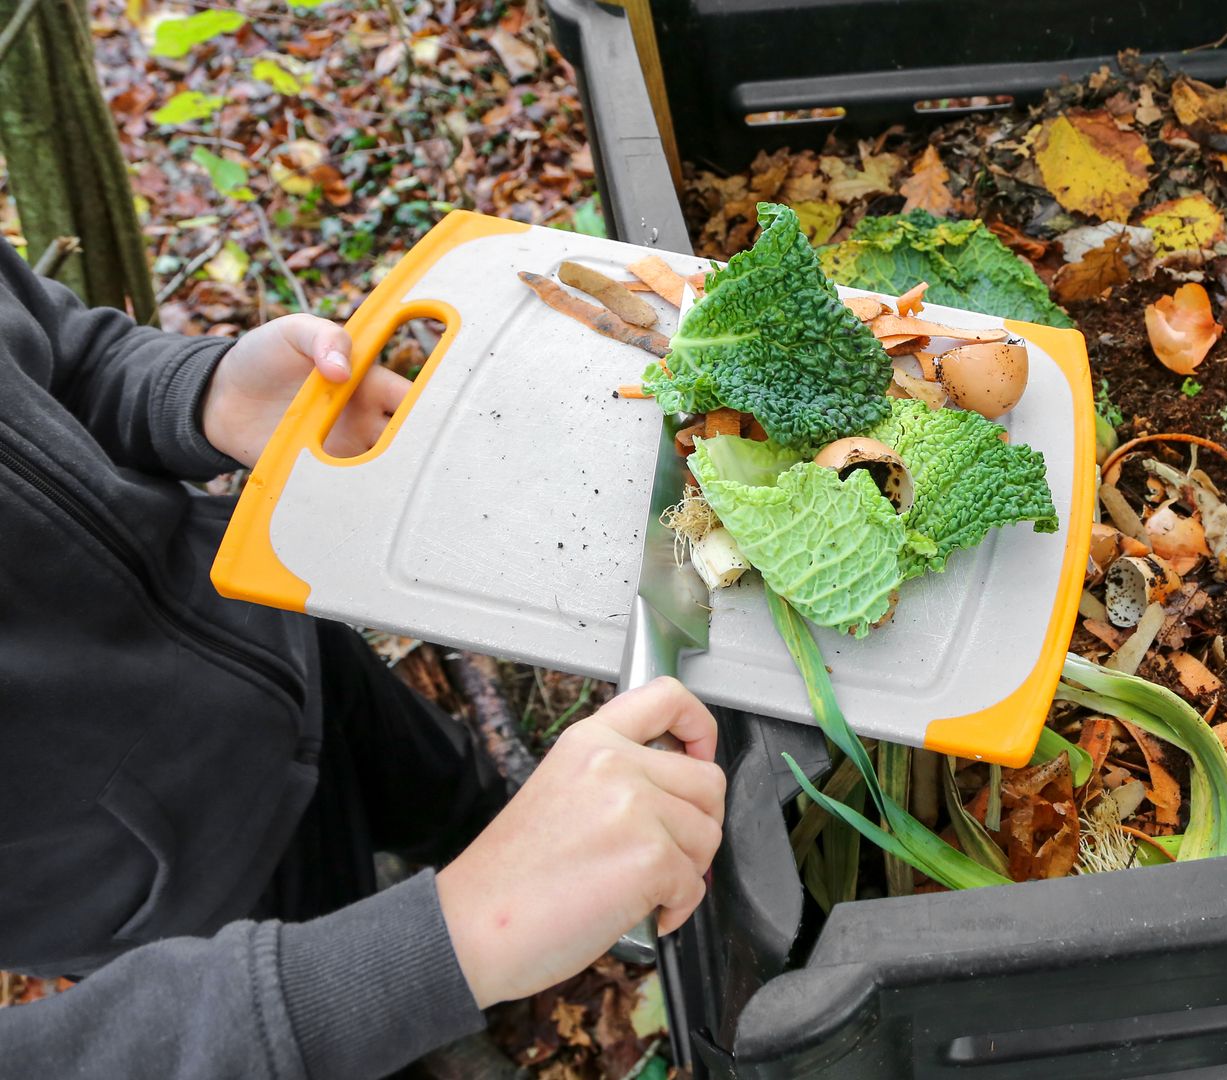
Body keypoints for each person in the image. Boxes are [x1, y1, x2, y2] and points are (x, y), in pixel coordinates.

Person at [0, 242, 727, 1077]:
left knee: (454, 794)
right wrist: (432, 951)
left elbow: (61, 355)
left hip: (275, 638)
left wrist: (201, 393)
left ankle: (518, 878)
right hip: (182, 890)